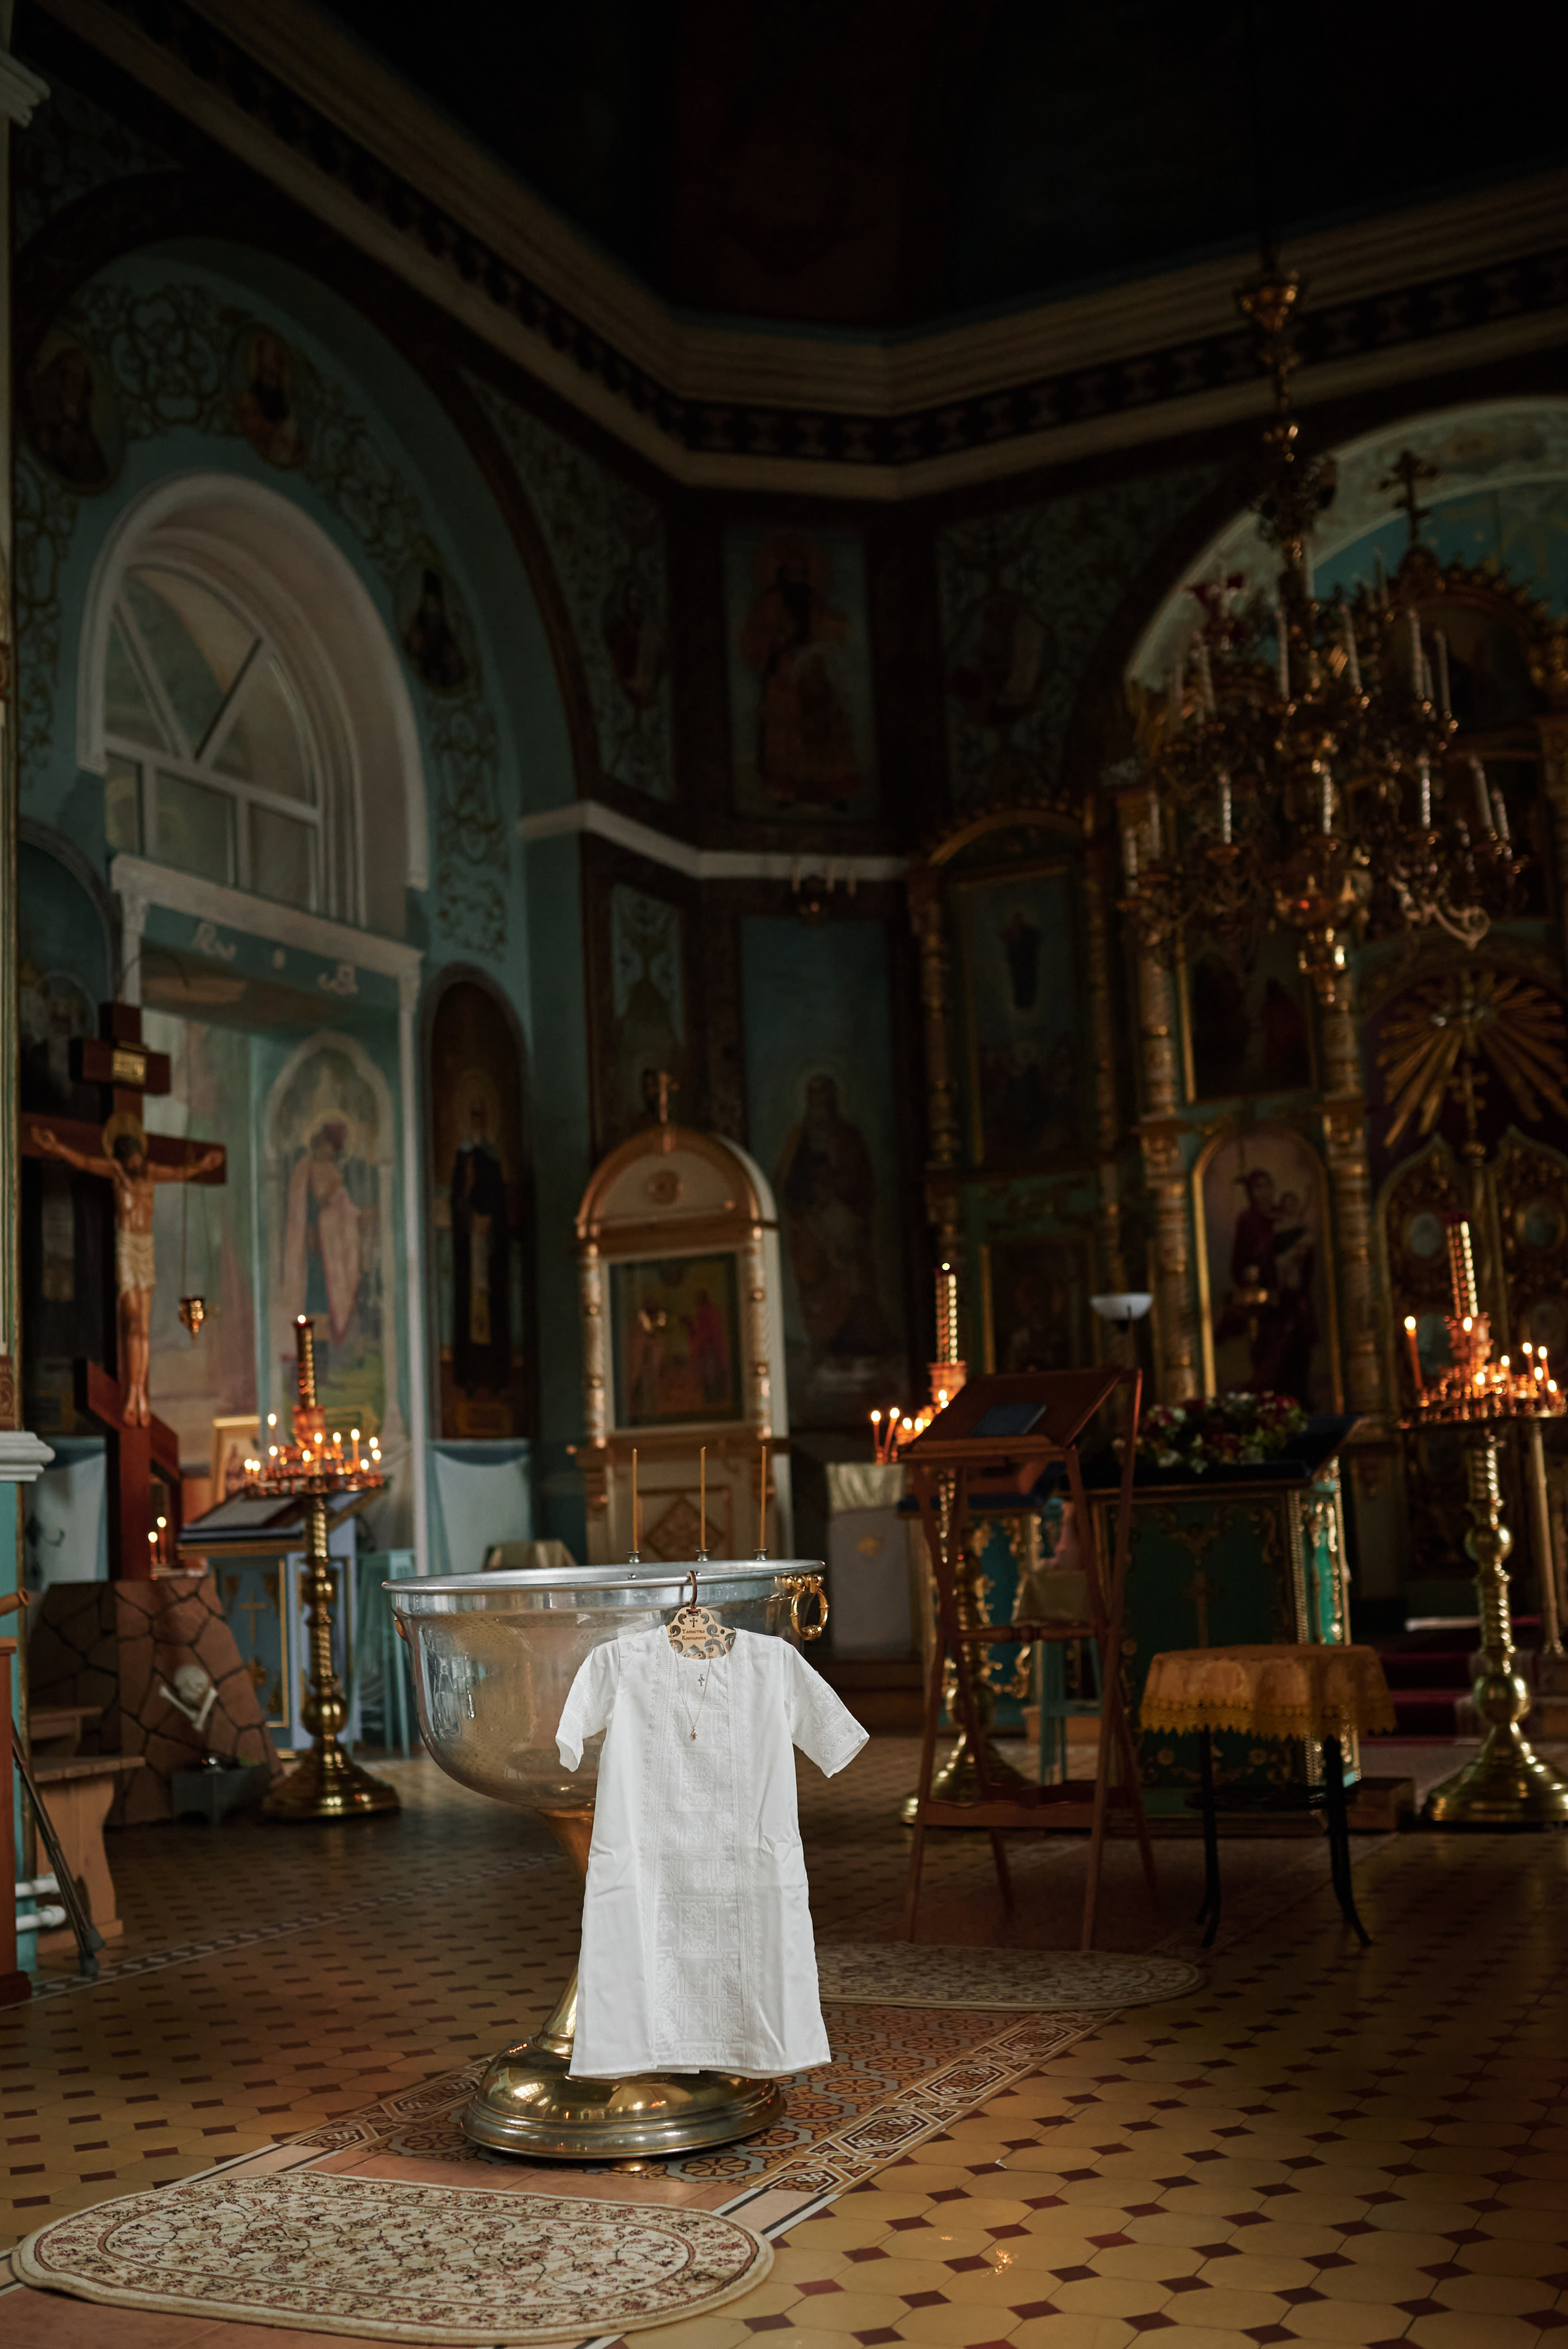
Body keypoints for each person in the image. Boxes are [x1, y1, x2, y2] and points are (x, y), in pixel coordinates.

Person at [32, 1122, 222, 1426]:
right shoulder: (116, 1174)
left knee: (143, 1329)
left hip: (146, 1248)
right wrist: (56, 1148)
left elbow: (179, 1173)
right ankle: (133, 1394)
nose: (136, 1162)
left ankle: (139, 1394)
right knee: (133, 1324)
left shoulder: (151, 1173)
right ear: (123, 1158)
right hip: (126, 1247)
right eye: (131, 1158)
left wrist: (203, 1165)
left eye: (138, 1157)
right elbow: (84, 1162)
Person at [449, 1093, 509, 1391]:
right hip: (469, 1247)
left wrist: (490, 1221)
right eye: (471, 1116)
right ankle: (470, 1374)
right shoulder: (463, 1160)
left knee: (491, 1303)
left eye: (480, 1117)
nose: (476, 1122)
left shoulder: (492, 1160)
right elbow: (456, 1201)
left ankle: (495, 1373)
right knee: (470, 1306)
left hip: (489, 1245)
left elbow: (500, 1202)